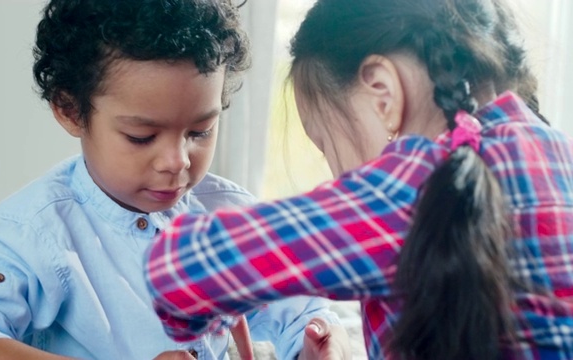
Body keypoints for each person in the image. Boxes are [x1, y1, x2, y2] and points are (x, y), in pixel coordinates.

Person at [144, 0, 573, 359]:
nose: (337, 177)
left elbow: (182, 267)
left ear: (382, 95)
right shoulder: (558, 154)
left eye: (328, 146)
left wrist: (208, 310)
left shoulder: (409, 186)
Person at [0, 0, 351, 359]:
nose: (176, 161)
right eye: (142, 137)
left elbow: (303, 311)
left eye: (199, 131)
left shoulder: (228, 214)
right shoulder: (34, 234)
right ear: (70, 109)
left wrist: (319, 341)